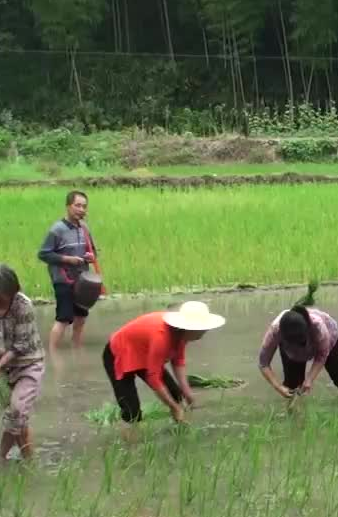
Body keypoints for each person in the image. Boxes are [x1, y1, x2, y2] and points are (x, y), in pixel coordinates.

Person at [103, 301, 225, 433]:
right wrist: (173, 407)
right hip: (119, 352)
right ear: (189, 327)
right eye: (201, 329)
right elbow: (153, 378)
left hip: (145, 353)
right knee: (132, 412)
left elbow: (178, 361)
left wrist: (188, 393)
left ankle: (180, 430)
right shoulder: (161, 337)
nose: (204, 332)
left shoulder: (181, 334)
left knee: (177, 395)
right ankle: (130, 441)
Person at [257, 305, 338, 408]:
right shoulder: (275, 331)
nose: (299, 348)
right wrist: (278, 387)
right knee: (292, 385)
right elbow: (263, 364)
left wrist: (310, 379)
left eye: (301, 343)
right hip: (290, 352)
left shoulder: (319, 327)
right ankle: (295, 422)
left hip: (328, 339)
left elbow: (321, 355)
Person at [38, 190, 103, 351]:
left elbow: (94, 252)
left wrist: (90, 256)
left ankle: (76, 349)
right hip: (63, 280)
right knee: (64, 318)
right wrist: (68, 260)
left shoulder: (85, 228)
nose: (81, 209)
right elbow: (44, 254)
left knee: (81, 317)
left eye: (84, 206)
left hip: (82, 281)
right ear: (68, 206)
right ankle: (53, 353)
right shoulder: (57, 229)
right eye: (77, 205)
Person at [0, 265, 45, 461]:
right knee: (19, 420)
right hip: (5, 367)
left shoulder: (23, 304)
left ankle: (1, 456)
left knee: (17, 411)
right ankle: (29, 460)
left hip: (29, 365)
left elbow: (21, 344)